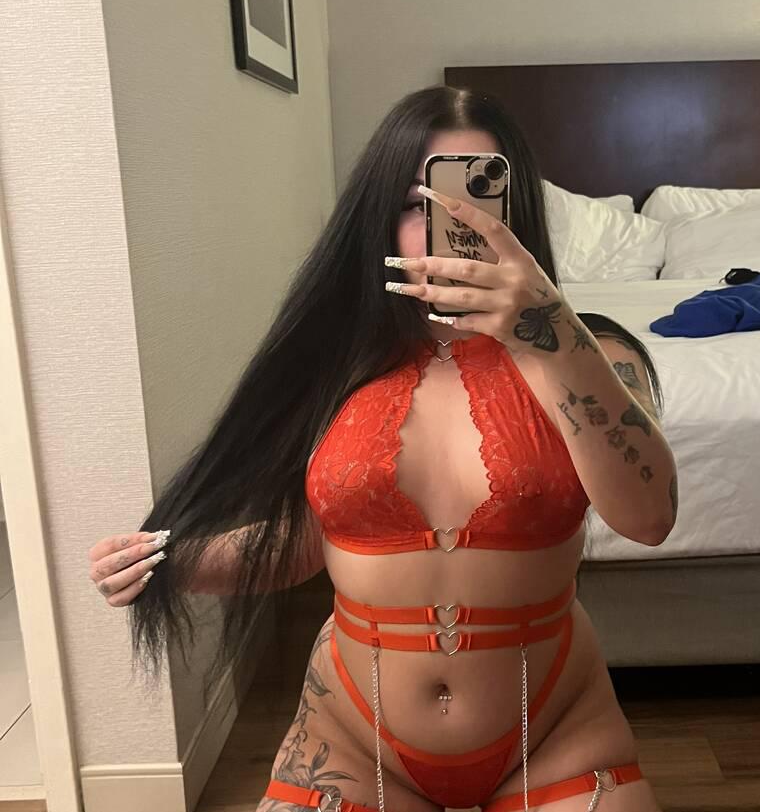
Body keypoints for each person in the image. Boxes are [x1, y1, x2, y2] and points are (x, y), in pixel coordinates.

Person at [88, 86, 678, 811]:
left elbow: (650, 516)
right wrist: (166, 563)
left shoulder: (594, 354)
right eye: (414, 204)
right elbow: (303, 543)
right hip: (350, 740)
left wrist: (548, 329)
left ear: (515, 214)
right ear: (377, 219)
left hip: (556, 731)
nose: (444, 228)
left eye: (473, 200)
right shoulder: (336, 366)